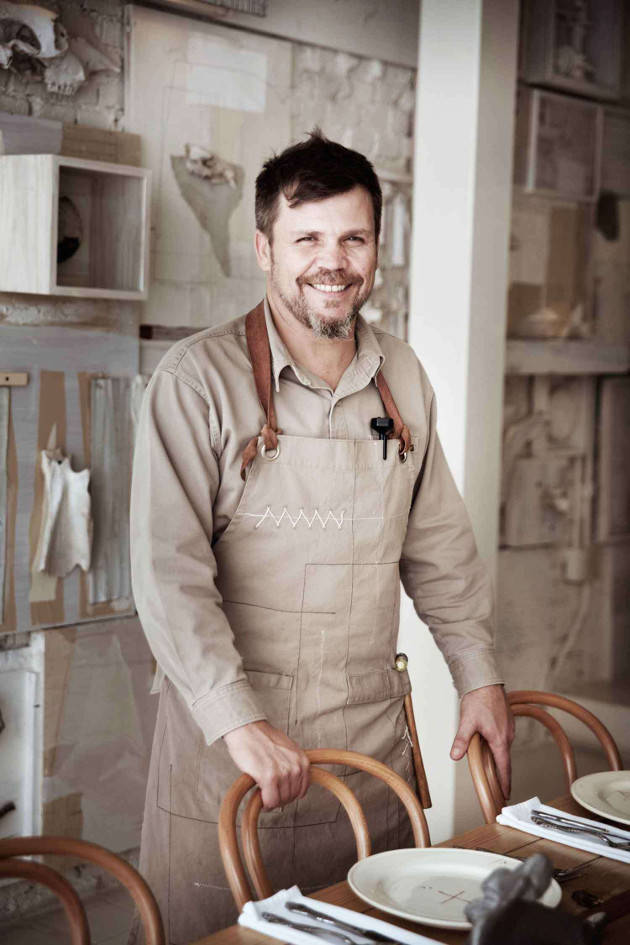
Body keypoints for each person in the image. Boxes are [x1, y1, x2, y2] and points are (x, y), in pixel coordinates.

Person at [130, 131, 514, 943]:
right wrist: (238, 719)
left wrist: (478, 675)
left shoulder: (402, 378)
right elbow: (170, 575)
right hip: (232, 771)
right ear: (264, 248)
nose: (331, 261)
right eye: (307, 238)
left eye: (353, 238)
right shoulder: (196, 381)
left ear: (376, 249)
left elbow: (440, 547)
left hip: (369, 765)